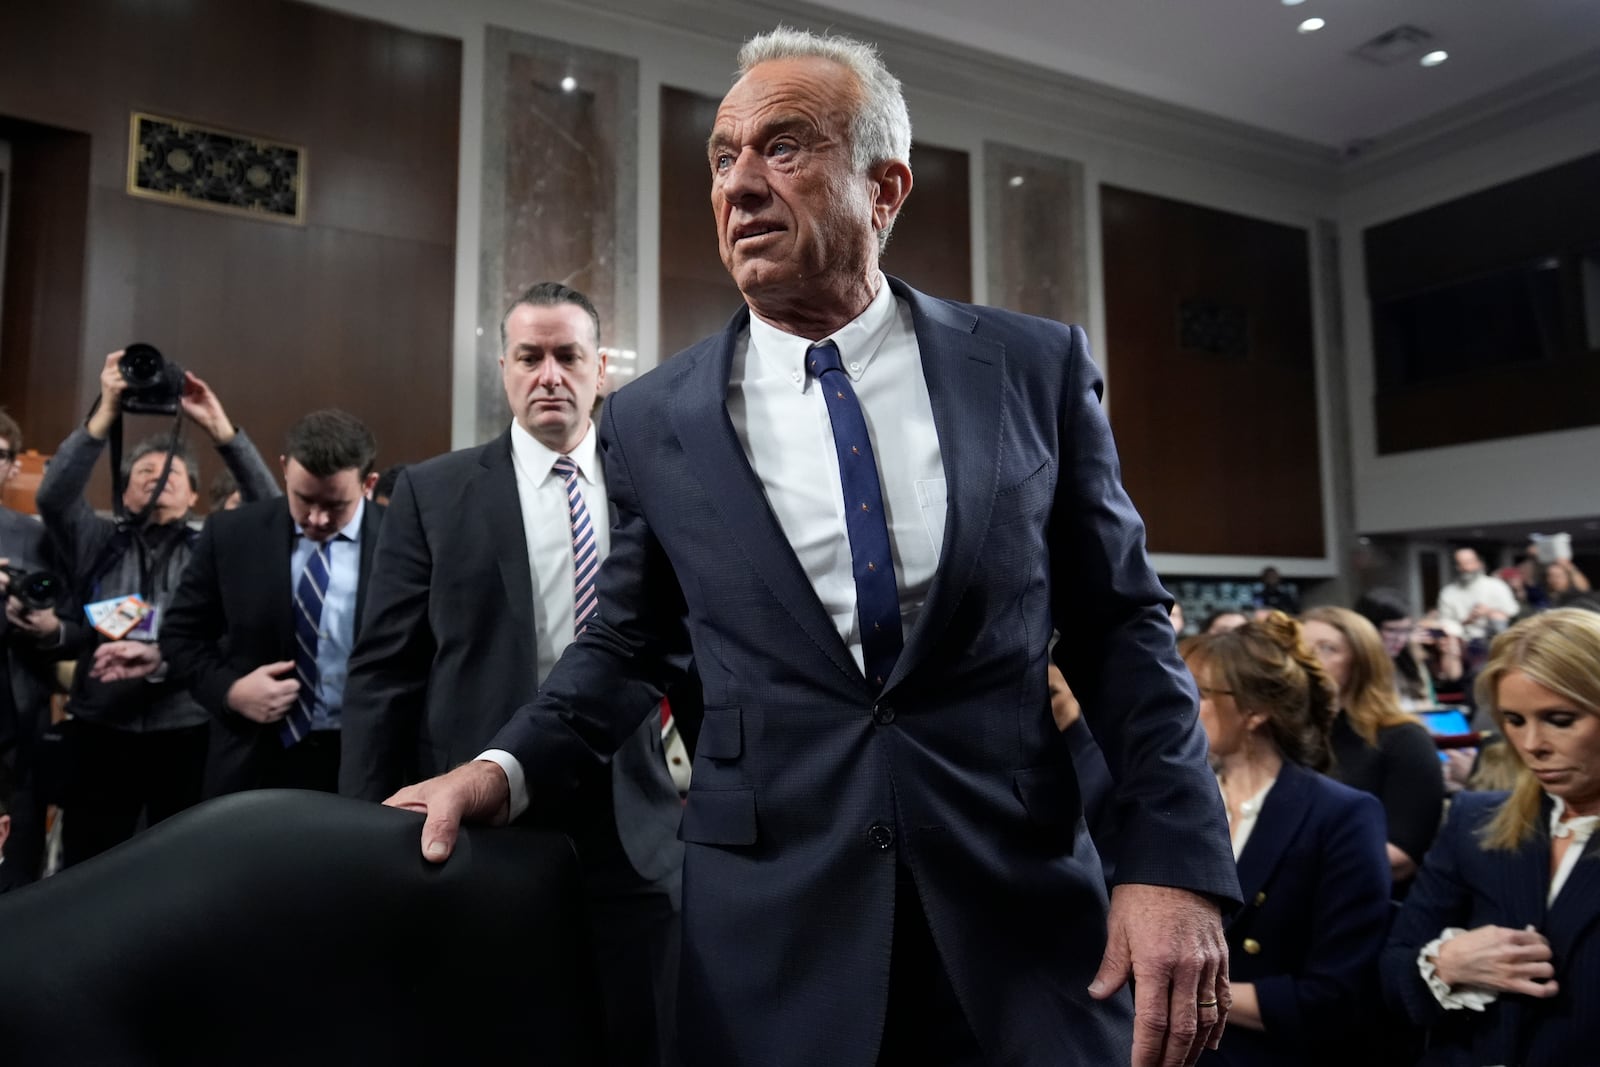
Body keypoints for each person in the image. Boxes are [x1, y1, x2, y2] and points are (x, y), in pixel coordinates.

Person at [389, 28, 1236, 1067]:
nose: (737, 185)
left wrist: (1173, 865)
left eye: (782, 148)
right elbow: (629, 644)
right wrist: (498, 765)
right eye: (721, 155)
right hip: (771, 934)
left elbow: (1118, 626)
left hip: (1018, 915)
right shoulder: (655, 417)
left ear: (884, 189)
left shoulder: (1029, 367)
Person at [340, 283, 687, 1067]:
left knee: (643, 1031)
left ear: (602, 368)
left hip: (636, 815)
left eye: (568, 356)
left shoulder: (656, 488)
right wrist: (361, 827)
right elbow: (383, 674)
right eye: (530, 357)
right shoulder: (433, 492)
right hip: (479, 810)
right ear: (504, 369)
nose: (549, 375)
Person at [35, 351, 279, 866]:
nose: (157, 475)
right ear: (124, 491)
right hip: (101, 728)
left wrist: (220, 428)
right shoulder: (98, 540)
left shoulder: (213, 543)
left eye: (171, 472)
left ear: (194, 494)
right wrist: (105, 411)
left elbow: (269, 509)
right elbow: (55, 495)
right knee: (89, 864)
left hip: (186, 729)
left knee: (179, 868)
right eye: (143, 470)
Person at [1382, 608, 1600, 1065]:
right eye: (1514, 721)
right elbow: (1392, 972)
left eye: (1560, 719)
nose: (1531, 744)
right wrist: (1443, 967)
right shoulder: (1474, 821)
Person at [1184, 613, 1391, 1066]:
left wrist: (1177, 991)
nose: (1178, 706)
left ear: (1256, 711)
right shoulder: (1174, 802)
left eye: (1198, 694)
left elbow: (1337, 993)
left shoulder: (1341, 814)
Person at [161, 410, 383, 795]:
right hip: (254, 759)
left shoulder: (403, 540)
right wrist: (230, 691)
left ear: (368, 484)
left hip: (368, 761)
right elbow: (180, 637)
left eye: (335, 505)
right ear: (284, 469)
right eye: (304, 499)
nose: (315, 518)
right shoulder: (232, 534)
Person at [1301, 607, 1443, 892]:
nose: (1307, 660)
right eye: (1299, 649)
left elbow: (1401, 858)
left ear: (1362, 662)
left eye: (1327, 649)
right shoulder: (1289, 736)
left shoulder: (1404, 739)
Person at [0, 409, 77, 886]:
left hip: (14, 720)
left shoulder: (34, 536)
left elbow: (68, 622)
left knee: (17, 865)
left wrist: (43, 625)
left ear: (11, 467)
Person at [1353, 588, 1463, 710]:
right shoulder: (1355, 666)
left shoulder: (1407, 658)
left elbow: (1451, 677)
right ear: (1368, 628)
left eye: (1406, 630)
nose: (1400, 639)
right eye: (1392, 630)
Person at [1437, 548, 1517, 646]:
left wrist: (1488, 612)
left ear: (1478, 563)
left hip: (1495, 639)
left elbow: (1512, 612)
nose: (1466, 568)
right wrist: (1468, 620)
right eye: (1461, 563)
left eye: (1469, 562)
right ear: (1456, 566)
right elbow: (1445, 621)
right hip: (1464, 642)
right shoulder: (1448, 592)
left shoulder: (1497, 586)